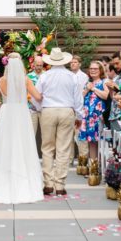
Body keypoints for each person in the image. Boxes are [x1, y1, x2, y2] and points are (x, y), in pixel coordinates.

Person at [0, 53, 46, 203]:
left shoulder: (1, 80)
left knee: (6, 144)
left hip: (6, 114)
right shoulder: (25, 80)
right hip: (21, 113)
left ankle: (5, 177)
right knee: (23, 144)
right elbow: (38, 97)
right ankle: (24, 177)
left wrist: (6, 106)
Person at [33, 48, 81, 196]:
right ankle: (60, 184)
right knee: (63, 148)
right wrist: (79, 116)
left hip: (48, 110)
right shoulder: (72, 77)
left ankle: (48, 183)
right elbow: (78, 98)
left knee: (47, 147)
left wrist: (42, 108)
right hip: (67, 110)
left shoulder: (44, 76)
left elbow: (35, 97)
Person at [77, 60, 109, 164]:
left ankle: (101, 166)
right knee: (91, 141)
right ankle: (93, 167)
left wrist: (94, 88)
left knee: (100, 141)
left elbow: (106, 95)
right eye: (91, 69)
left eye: (95, 69)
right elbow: (80, 98)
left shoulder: (104, 82)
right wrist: (87, 89)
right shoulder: (87, 83)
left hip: (98, 116)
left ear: (100, 70)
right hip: (88, 116)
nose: (93, 71)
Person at [70, 55, 89, 164]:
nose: (73, 64)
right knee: (68, 136)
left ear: (79, 64)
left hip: (80, 109)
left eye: (75, 62)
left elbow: (82, 93)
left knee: (80, 135)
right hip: (69, 108)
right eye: (71, 62)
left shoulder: (84, 76)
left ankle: (83, 159)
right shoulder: (68, 75)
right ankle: (69, 159)